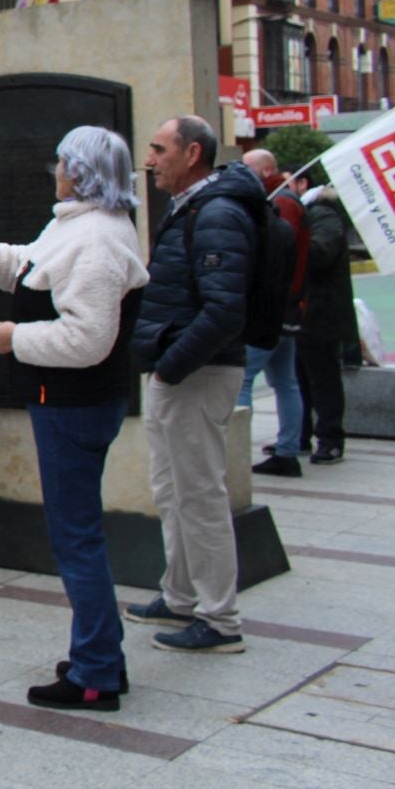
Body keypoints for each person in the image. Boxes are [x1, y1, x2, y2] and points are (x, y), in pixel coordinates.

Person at [0, 126, 149, 711]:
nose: (53, 166)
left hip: (75, 403)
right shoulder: (74, 225)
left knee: (76, 539)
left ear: (80, 171)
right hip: (65, 401)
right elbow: (30, 268)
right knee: (77, 535)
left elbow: (89, 337)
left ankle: (96, 674)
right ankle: (101, 654)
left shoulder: (100, 239)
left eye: (61, 159)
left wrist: (16, 338)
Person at [128, 115, 262, 654]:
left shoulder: (218, 213)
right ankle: (180, 595)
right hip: (182, 369)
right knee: (172, 489)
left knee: (201, 494)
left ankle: (219, 619)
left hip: (197, 373)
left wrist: (171, 366)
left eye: (160, 149)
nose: (150, 159)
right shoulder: (194, 208)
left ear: (193, 155)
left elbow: (226, 308)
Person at [239, 149, 309, 477]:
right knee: (285, 381)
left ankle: (239, 453)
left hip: (272, 310)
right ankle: (287, 448)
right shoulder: (282, 204)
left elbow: (276, 259)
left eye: (248, 169)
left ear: (266, 171)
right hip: (287, 308)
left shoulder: (280, 206)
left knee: (244, 380)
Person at [292, 166, 352, 466]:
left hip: (321, 314)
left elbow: (319, 254)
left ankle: (330, 439)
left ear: (303, 184)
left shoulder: (323, 215)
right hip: (303, 313)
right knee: (299, 378)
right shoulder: (305, 216)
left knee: (323, 379)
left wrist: (290, 240)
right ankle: (299, 436)